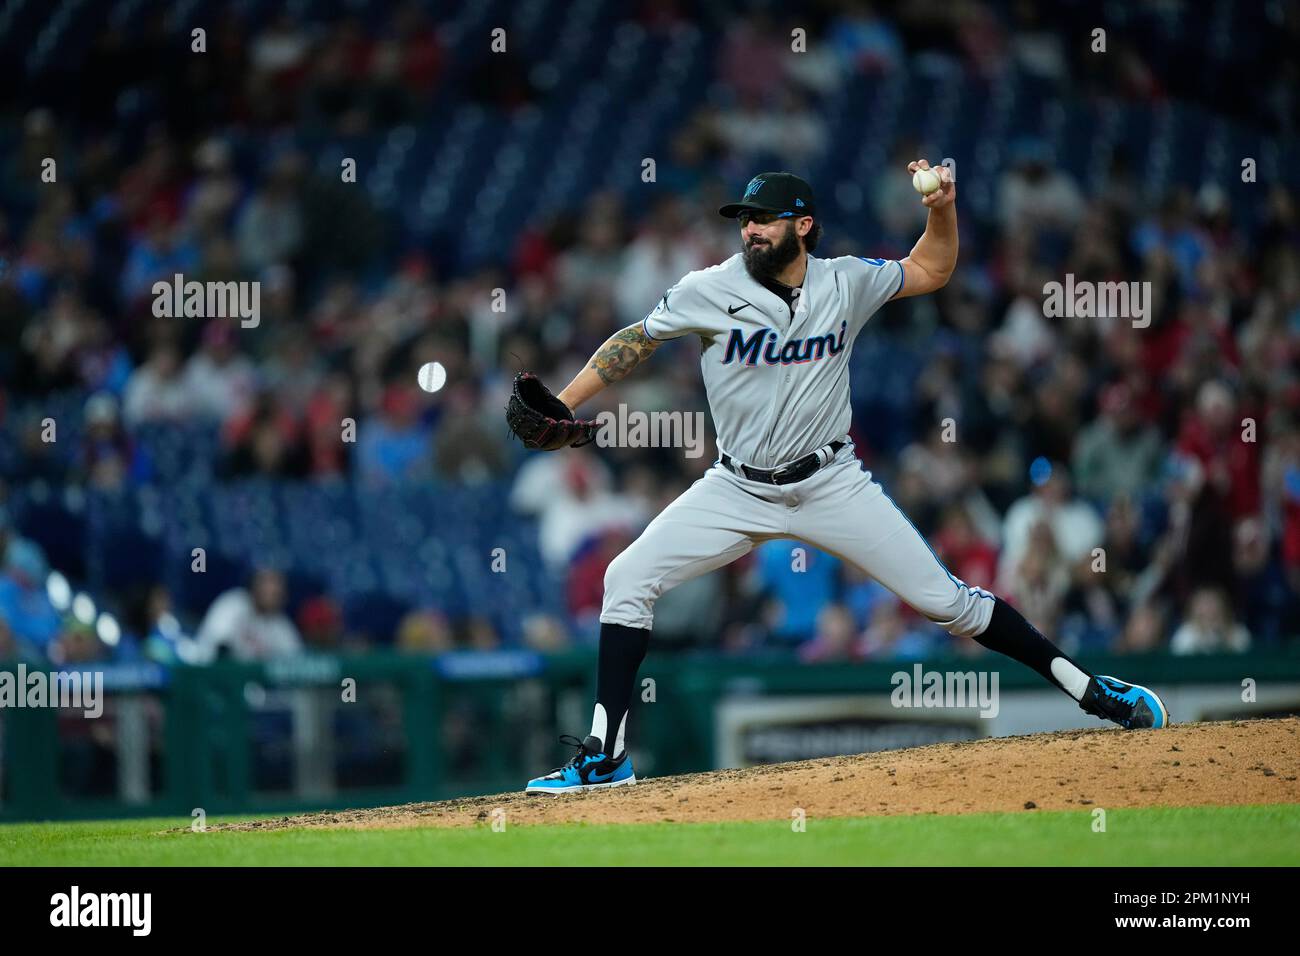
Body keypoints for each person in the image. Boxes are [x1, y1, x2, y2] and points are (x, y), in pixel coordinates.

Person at [512, 167, 1169, 795]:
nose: (750, 231)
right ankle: (607, 757)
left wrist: (940, 211)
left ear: (803, 225)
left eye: (764, 219)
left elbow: (933, 268)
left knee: (950, 604)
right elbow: (635, 339)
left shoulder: (846, 282)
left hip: (831, 482)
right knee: (626, 577)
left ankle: (1091, 690)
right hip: (736, 488)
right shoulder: (706, 289)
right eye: (745, 220)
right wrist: (568, 402)